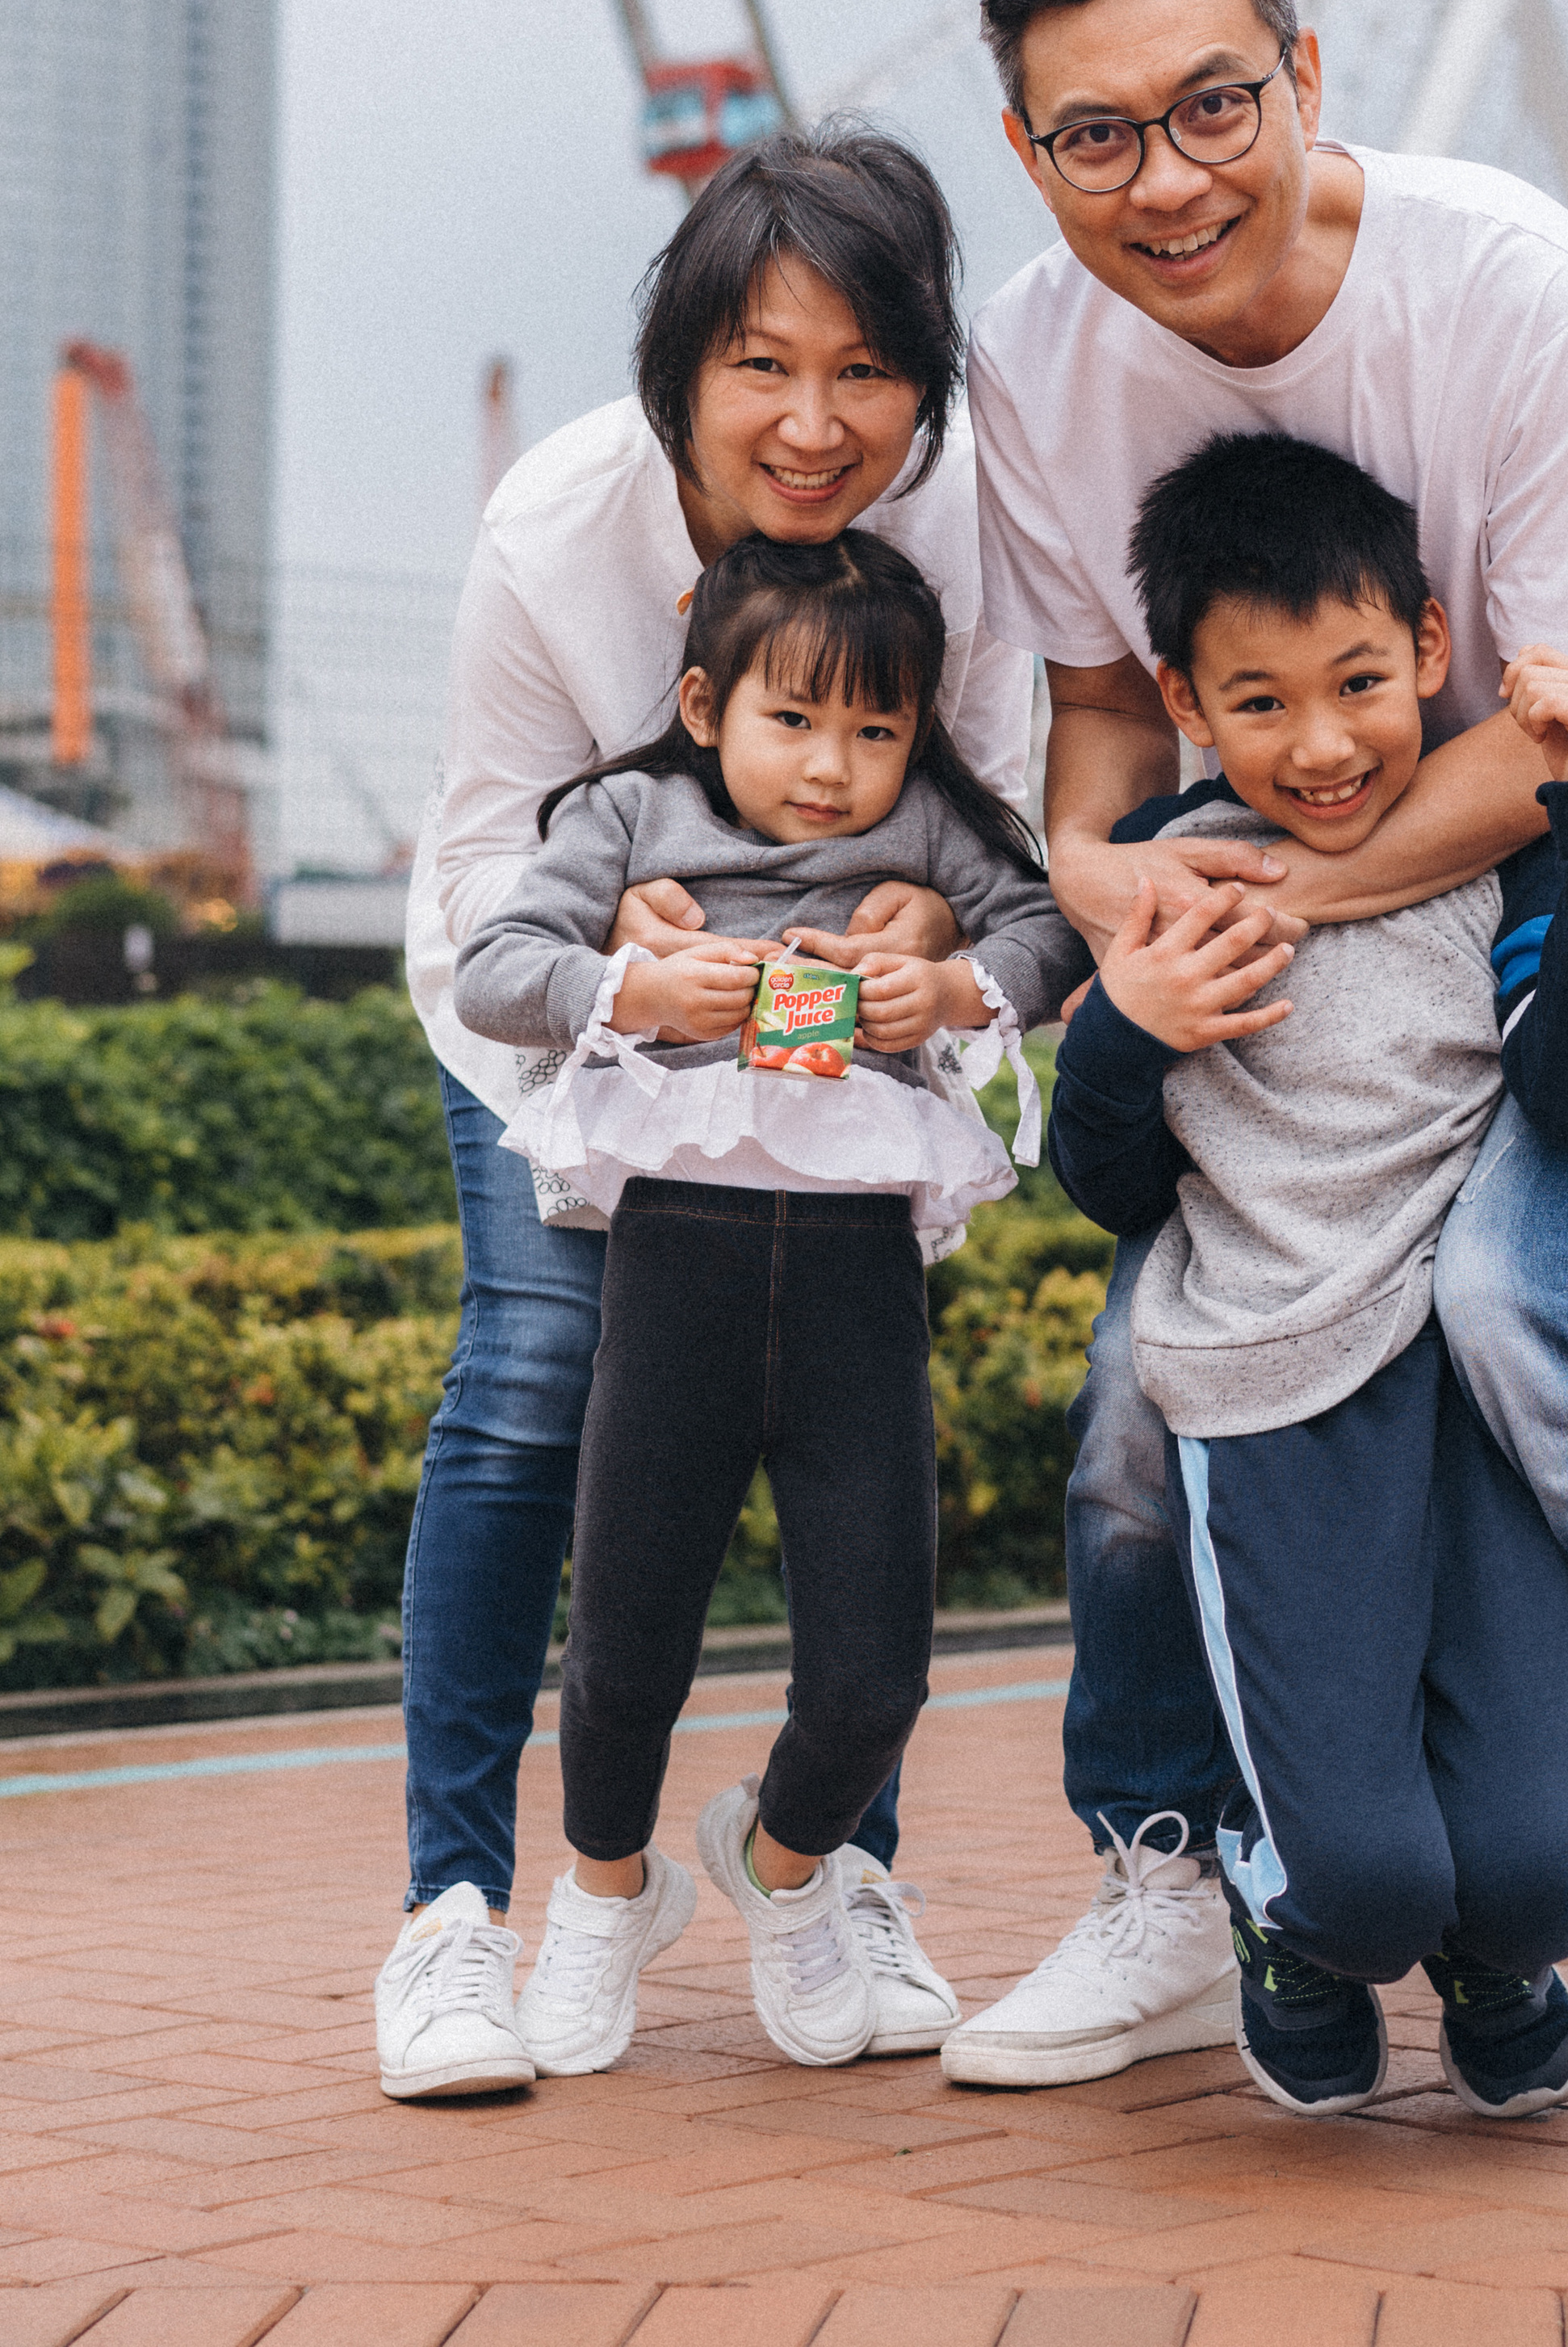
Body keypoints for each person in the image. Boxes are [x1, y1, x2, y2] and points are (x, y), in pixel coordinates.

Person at [946, 0, 1568, 2190]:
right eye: (1095, 135)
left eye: (1211, 104)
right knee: (1142, 1375)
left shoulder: (1523, 295)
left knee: (1517, 1300)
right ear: (1027, 150)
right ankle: (1174, 1872)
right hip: (1297, 884)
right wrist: (1106, 886)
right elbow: (1100, 721)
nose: (1165, 179)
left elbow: (1564, 744)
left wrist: (1256, 887)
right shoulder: (1036, 356)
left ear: (1303, 73)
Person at [379, 124, 1033, 2101]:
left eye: (866, 371)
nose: (814, 425)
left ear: (925, 382)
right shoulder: (555, 530)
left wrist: (935, 927)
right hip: (578, 1021)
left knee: (859, 1468)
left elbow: (1002, 824)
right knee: (529, 1380)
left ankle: (830, 1876)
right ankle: (457, 1914)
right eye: (762, 365)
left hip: (839, 1089)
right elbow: (487, 875)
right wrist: (616, 965)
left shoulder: (971, 519)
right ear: (679, 368)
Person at [1048, 431, 1568, 2123]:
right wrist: (1122, 1031)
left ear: (1429, 651)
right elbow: (1108, 1184)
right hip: (1270, 1405)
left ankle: (1499, 1949)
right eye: (1260, 702)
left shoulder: (1493, 849)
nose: (1322, 746)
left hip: (1471, 1402)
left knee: (1535, 1878)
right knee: (1363, 1883)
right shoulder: (1169, 877)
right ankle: (1293, 1929)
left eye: (1361, 684)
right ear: (1185, 700)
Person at [438, 531, 1085, 2079]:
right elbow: (492, 968)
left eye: (876, 727)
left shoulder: (930, 829)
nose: (832, 767)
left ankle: (784, 1864)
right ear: (704, 704)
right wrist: (632, 989)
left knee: (876, 1676)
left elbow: (1054, 929)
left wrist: (957, 984)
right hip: (677, 1272)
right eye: (792, 719)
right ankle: (603, 1897)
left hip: (861, 1289)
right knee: (623, 1649)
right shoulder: (627, 815)